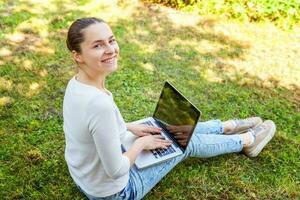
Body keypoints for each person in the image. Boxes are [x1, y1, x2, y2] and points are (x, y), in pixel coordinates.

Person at [63, 17, 276, 200]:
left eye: (111, 40)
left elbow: (92, 129)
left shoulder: (77, 85)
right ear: (77, 55)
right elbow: (116, 170)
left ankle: (226, 127)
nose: (110, 49)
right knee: (181, 144)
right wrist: (141, 144)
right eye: (97, 45)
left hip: (85, 177)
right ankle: (246, 141)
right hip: (114, 193)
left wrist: (129, 128)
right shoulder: (99, 104)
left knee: (168, 130)